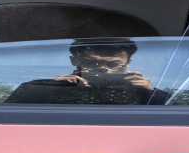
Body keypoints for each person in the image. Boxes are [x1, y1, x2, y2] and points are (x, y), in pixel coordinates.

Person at [9, 38, 156, 105]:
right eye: (91, 63)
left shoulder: (144, 92)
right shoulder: (41, 88)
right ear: (74, 60)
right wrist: (53, 89)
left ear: (128, 62)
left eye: (113, 64)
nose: (103, 69)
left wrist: (152, 93)